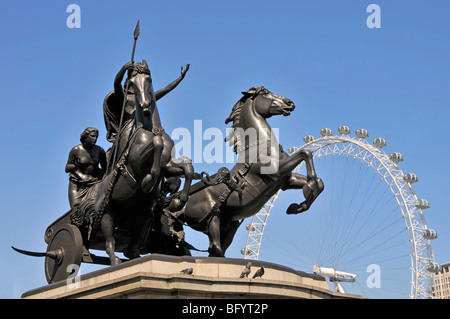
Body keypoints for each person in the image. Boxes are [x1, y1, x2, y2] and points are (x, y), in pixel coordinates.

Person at [102, 61, 190, 172]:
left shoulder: (144, 97)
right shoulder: (123, 97)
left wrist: (180, 78)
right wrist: (123, 69)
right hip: (129, 128)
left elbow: (165, 90)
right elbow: (116, 84)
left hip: (144, 125)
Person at [65, 127, 107, 208]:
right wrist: (74, 166)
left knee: (97, 209)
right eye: (92, 136)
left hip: (94, 184)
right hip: (78, 185)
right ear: (86, 137)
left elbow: (105, 169)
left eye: (96, 137)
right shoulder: (76, 150)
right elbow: (67, 168)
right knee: (76, 212)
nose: (95, 139)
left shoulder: (99, 150)